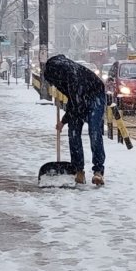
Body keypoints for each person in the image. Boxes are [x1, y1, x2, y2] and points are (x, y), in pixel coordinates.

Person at [43, 54, 106, 186]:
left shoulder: (71, 75)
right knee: (73, 133)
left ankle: (98, 171)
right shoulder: (60, 75)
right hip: (79, 99)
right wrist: (66, 121)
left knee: (94, 131)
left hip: (95, 95)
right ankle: (79, 170)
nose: (54, 85)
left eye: (53, 82)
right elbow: (74, 100)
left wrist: (63, 121)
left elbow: (77, 104)